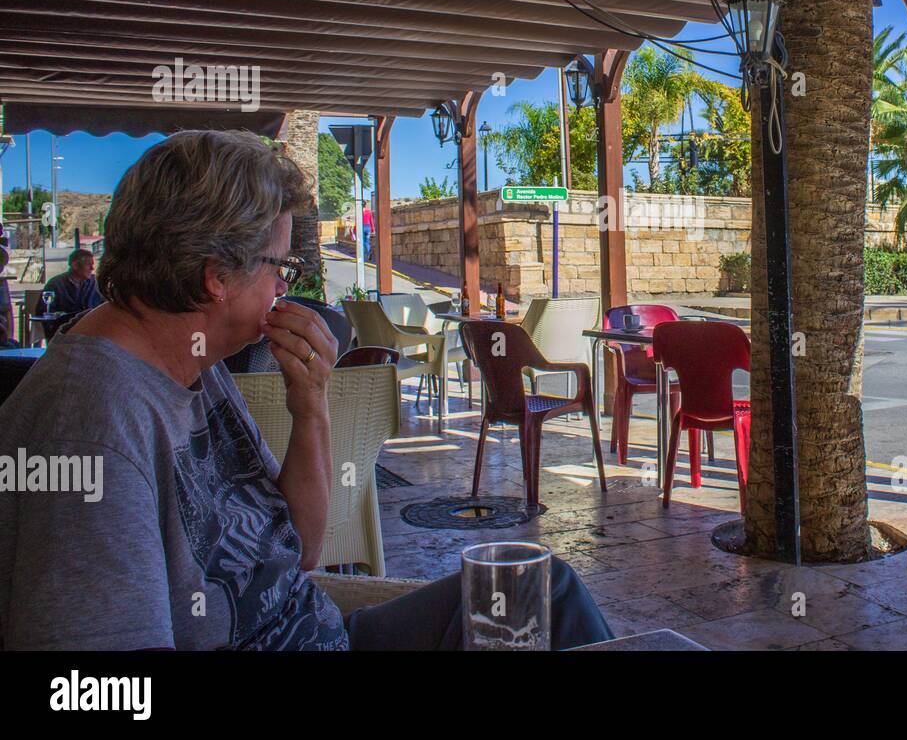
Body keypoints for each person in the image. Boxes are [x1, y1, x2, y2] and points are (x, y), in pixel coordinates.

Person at [0, 130, 611, 650]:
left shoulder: (195, 363)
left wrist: (311, 403)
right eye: (279, 269)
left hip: (317, 628)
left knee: (539, 592)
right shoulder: (89, 426)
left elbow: (303, 550)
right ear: (216, 277)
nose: (283, 292)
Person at [40, 247, 104, 316]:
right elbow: (44, 311)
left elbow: (105, 306)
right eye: (88, 264)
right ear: (75, 265)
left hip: (91, 324)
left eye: (92, 265)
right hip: (64, 325)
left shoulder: (96, 283)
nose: (92, 268)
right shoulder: (55, 284)